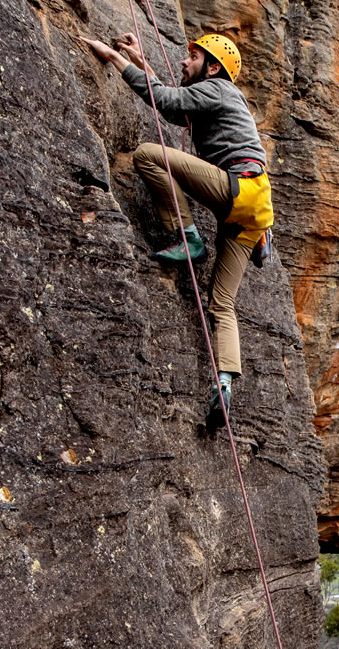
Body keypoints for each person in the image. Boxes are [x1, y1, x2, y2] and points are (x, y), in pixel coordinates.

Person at [79, 31, 273, 431]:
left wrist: (115, 59)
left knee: (149, 155)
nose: (185, 62)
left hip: (239, 189)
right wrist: (140, 61)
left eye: (193, 57)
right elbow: (174, 106)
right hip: (254, 211)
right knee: (222, 303)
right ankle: (224, 384)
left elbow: (167, 100)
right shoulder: (217, 96)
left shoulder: (219, 89)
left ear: (213, 67)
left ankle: (188, 238)